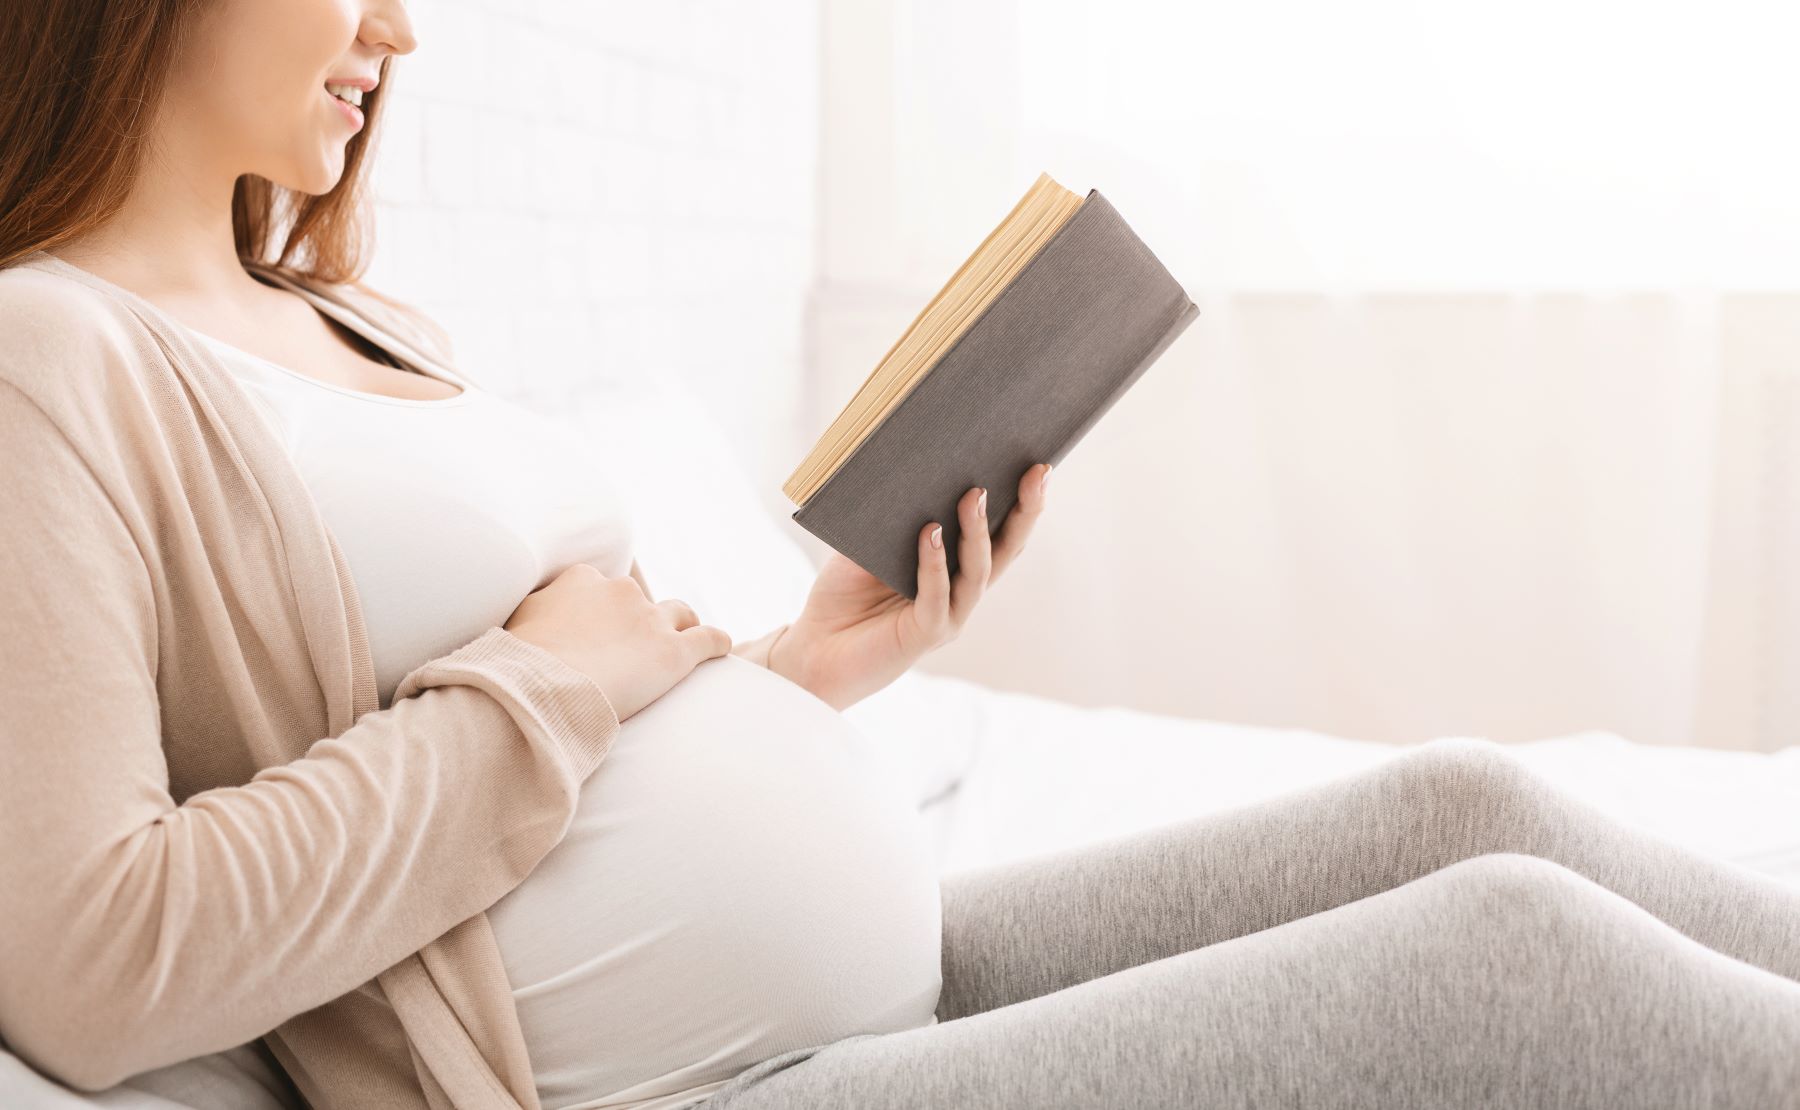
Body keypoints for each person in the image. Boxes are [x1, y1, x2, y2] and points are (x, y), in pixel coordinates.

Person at [1, 3, 1795, 1109]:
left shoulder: (357, 323)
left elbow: (510, 744)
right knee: (1511, 955)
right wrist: (552, 681)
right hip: (668, 1082)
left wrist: (804, 668)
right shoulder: (51, 351)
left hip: (814, 997)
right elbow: (94, 958)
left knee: (1465, 810)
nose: (398, 28)